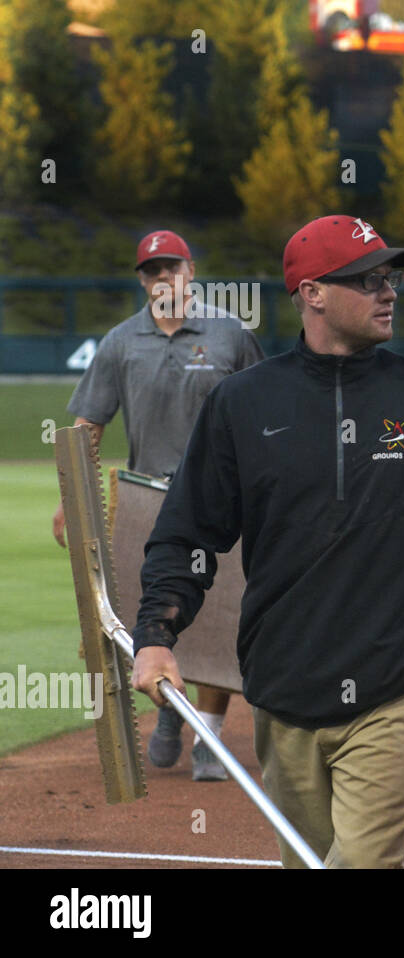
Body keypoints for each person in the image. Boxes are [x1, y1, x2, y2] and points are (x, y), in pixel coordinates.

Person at [129, 215, 404, 868]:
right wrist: (154, 635)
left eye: (390, 276)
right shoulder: (243, 404)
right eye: (368, 279)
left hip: (395, 690)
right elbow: (187, 537)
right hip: (283, 693)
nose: (388, 290)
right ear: (312, 293)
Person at [54, 229, 264, 781]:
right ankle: (172, 712)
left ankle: (210, 737)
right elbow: (88, 425)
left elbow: (264, 414)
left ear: (190, 270)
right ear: (143, 280)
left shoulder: (230, 334)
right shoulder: (121, 342)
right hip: (149, 499)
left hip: (223, 499)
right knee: (158, 617)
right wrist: (69, 499)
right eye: (152, 270)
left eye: (172, 267)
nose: (163, 278)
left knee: (221, 622)